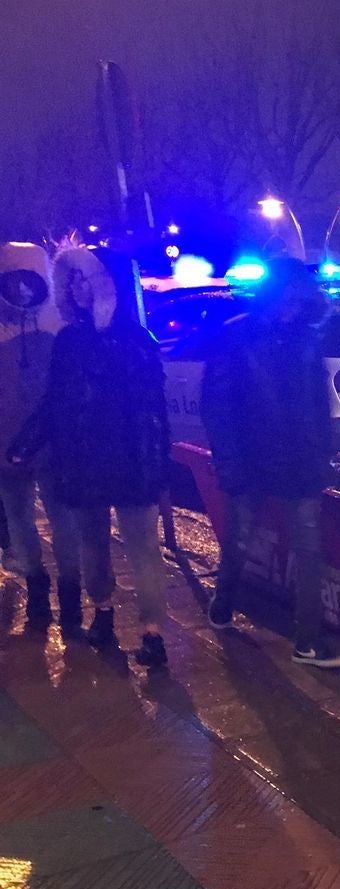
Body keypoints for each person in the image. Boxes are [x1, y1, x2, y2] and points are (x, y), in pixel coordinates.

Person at [9, 247, 171, 667]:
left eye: (87, 279)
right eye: (73, 280)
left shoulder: (134, 339)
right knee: (93, 548)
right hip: (84, 462)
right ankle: (103, 612)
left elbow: (154, 410)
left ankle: (152, 632)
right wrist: (25, 442)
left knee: (142, 550)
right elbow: (55, 402)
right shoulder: (70, 340)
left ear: (106, 283)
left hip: (130, 461)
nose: (80, 288)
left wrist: (158, 465)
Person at [201, 257, 340, 669]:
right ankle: (223, 601)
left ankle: (308, 641)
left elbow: (317, 403)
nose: (291, 310)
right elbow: (218, 407)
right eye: (286, 301)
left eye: (298, 302)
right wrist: (228, 462)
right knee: (239, 542)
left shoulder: (307, 340)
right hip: (251, 461)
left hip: (300, 462)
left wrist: (324, 451)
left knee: (308, 552)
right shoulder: (238, 338)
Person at [0, 242, 82, 633]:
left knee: (64, 522)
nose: (20, 289)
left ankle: (69, 593)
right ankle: (36, 585)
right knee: (20, 523)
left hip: (55, 446)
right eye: (12, 280)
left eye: (28, 279)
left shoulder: (58, 325)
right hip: (6, 448)